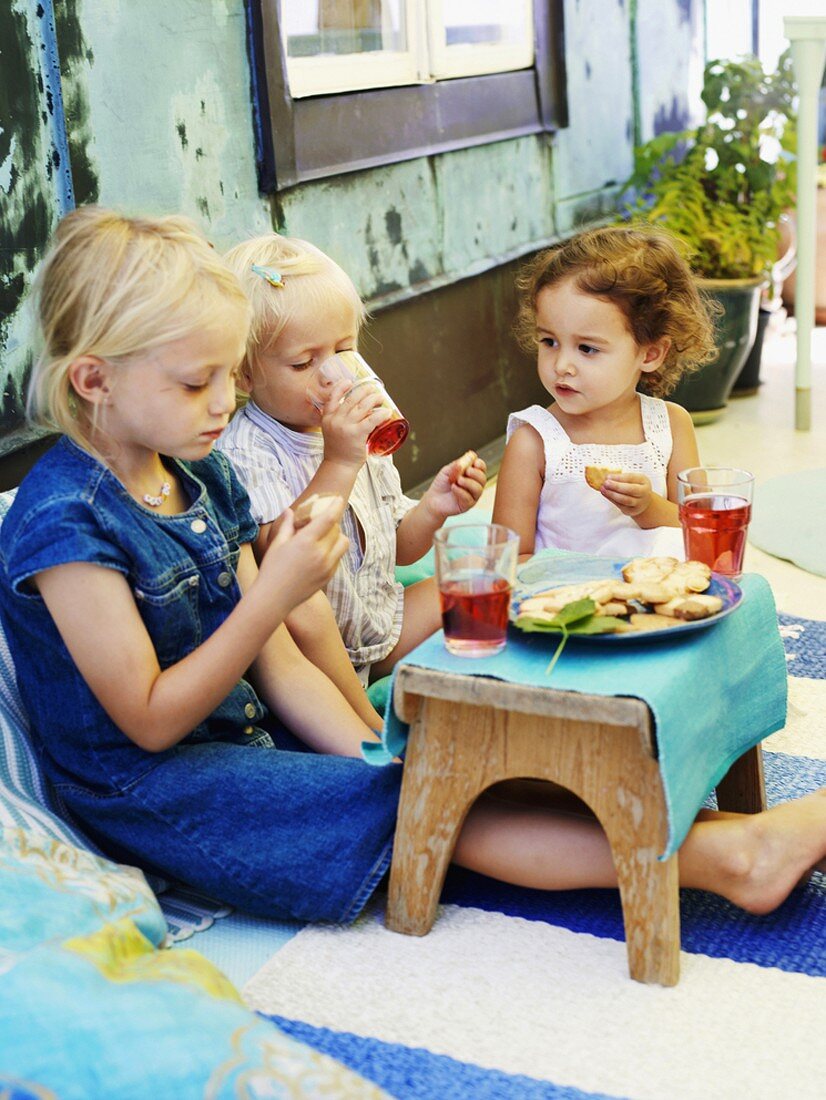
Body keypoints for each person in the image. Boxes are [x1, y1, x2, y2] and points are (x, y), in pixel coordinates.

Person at [0, 206, 823, 926]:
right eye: (197, 382)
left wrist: (369, 742)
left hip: (249, 734)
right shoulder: (67, 526)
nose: (224, 402)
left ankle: (726, 839)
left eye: (229, 376)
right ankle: (735, 861)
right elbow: (150, 720)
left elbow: (284, 657)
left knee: (429, 770)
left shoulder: (192, 468)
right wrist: (275, 601)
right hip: (161, 794)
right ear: (94, 380)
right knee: (418, 802)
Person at [216, 233, 487, 695]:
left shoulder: (359, 428)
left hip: (379, 628)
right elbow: (277, 551)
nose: (332, 375)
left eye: (343, 350)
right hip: (314, 659)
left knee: (485, 578)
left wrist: (435, 507)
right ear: (244, 374)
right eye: (304, 363)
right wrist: (340, 461)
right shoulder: (247, 451)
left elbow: (398, 547)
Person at [493, 224, 716, 560]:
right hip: (565, 601)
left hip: (656, 593)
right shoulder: (534, 442)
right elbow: (506, 559)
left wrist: (647, 507)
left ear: (650, 353)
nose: (562, 365)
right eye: (549, 341)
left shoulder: (671, 426)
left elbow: (701, 532)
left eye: (587, 349)